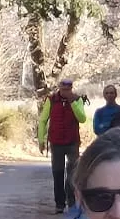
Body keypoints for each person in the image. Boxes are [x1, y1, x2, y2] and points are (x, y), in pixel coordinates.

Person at [37, 79, 89, 212]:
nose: (66, 91)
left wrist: (73, 103)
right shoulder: (51, 100)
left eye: (68, 89)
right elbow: (43, 120)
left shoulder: (77, 99)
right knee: (57, 173)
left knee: (72, 173)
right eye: (63, 89)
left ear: (71, 88)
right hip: (56, 142)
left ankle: (71, 203)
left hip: (72, 142)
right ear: (59, 88)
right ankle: (59, 204)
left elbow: (82, 119)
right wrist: (41, 140)